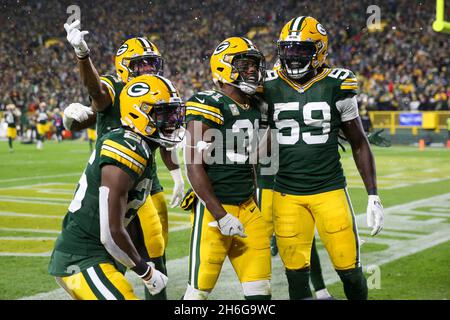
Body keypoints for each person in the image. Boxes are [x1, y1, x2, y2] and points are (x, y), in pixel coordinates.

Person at [262, 16, 384, 300]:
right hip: (286, 194)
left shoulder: (337, 84)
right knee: (296, 277)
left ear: (319, 50)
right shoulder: (267, 85)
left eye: (301, 50)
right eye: (288, 49)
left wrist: (373, 195)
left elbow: (359, 142)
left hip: (329, 191)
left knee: (350, 270)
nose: (293, 56)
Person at [62, 20, 184, 299]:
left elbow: (166, 133)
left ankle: (152, 288)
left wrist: (176, 174)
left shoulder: (157, 90)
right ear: (124, 66)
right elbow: (97, 96)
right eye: (140, 65)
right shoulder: (114, 88)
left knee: (155, 248)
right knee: (113, 245)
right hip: (116, 177)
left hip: (146, 183)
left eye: (152, 63)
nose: (148, 71)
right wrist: (83, 54)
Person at [182, 37, 271, 300]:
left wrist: (253, 197)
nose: (253, 70)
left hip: (247, 206)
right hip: (214, 209)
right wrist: (220, 215)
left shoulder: (255, 106)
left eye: (255, 64)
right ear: (223, 67)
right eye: (244, 64)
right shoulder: (209, 102)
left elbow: (250, 160)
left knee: (260, 289)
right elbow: (193, 164)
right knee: (198, 293)